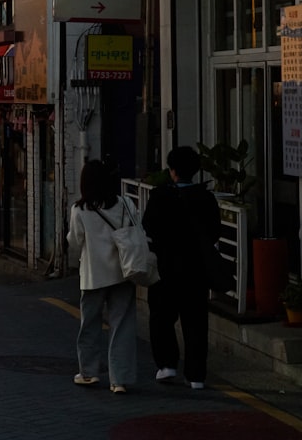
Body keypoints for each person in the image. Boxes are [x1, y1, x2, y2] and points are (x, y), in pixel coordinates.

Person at [142, 145, 222, 390]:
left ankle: (167, 364)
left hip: (165, 266)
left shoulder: (160, 196)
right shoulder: (206, 198)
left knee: (161, 316)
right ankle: (196, 376)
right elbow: (214, 232)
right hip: (196, 269)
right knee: (196, 321)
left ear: (172, 170)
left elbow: (148, 227)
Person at [67, 159, 138, 394]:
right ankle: (119, 379)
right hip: (123, 272)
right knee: (122, 326)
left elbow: (75, 242)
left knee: (90, 324)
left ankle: (88, 373)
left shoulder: (80, 210)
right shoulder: (126, 203)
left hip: (93, 276)